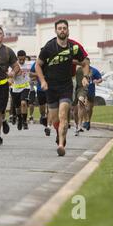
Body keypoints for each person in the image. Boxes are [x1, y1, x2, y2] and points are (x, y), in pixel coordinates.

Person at [35, 19, 87, 157]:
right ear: (56, 31)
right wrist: (42, 81)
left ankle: (61, 145)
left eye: (64, 28)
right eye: (59, 28)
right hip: (51, 87)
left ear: (68, 30)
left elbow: (85, 62)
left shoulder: (73, 48)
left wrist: (85, 76)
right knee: (55, 119)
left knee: (63, 115)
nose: (62, 30)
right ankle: (60, 135)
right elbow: (38, 65)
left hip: (66, 86)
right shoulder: (49, 47)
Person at [74, 57, 102, 135]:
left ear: (89, 63)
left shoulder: (94, 70)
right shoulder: (79, 70)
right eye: (84, 62)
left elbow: (100, 79)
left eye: (87, 63)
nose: (85, 64)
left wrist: (97, 81)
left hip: (91, 91)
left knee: (89, 108)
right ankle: (81, 123)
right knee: (82, 106)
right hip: (82, 91)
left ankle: (88, 121)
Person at [10, 50, 32, 130]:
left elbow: (36, 69)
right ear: (17, 58)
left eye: (23, 59)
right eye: (20, 60)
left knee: (23, 103)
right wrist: (12, 76)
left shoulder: (29, 64)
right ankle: (19, 119)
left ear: (25, 57)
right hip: (15, 88)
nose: (22, 61)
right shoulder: (13, 65)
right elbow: (10, 76)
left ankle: (24, 121)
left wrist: (33, 76)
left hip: (25, 87)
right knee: (17, 107)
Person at [30, 58, 51, 136]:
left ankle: (48, 126)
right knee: (42, 106)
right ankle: (43, 116)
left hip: (50, 88)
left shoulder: (52, 62)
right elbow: (30, 74)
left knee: (50, 106)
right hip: (40, 88)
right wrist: (40, 74)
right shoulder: (37, 63)